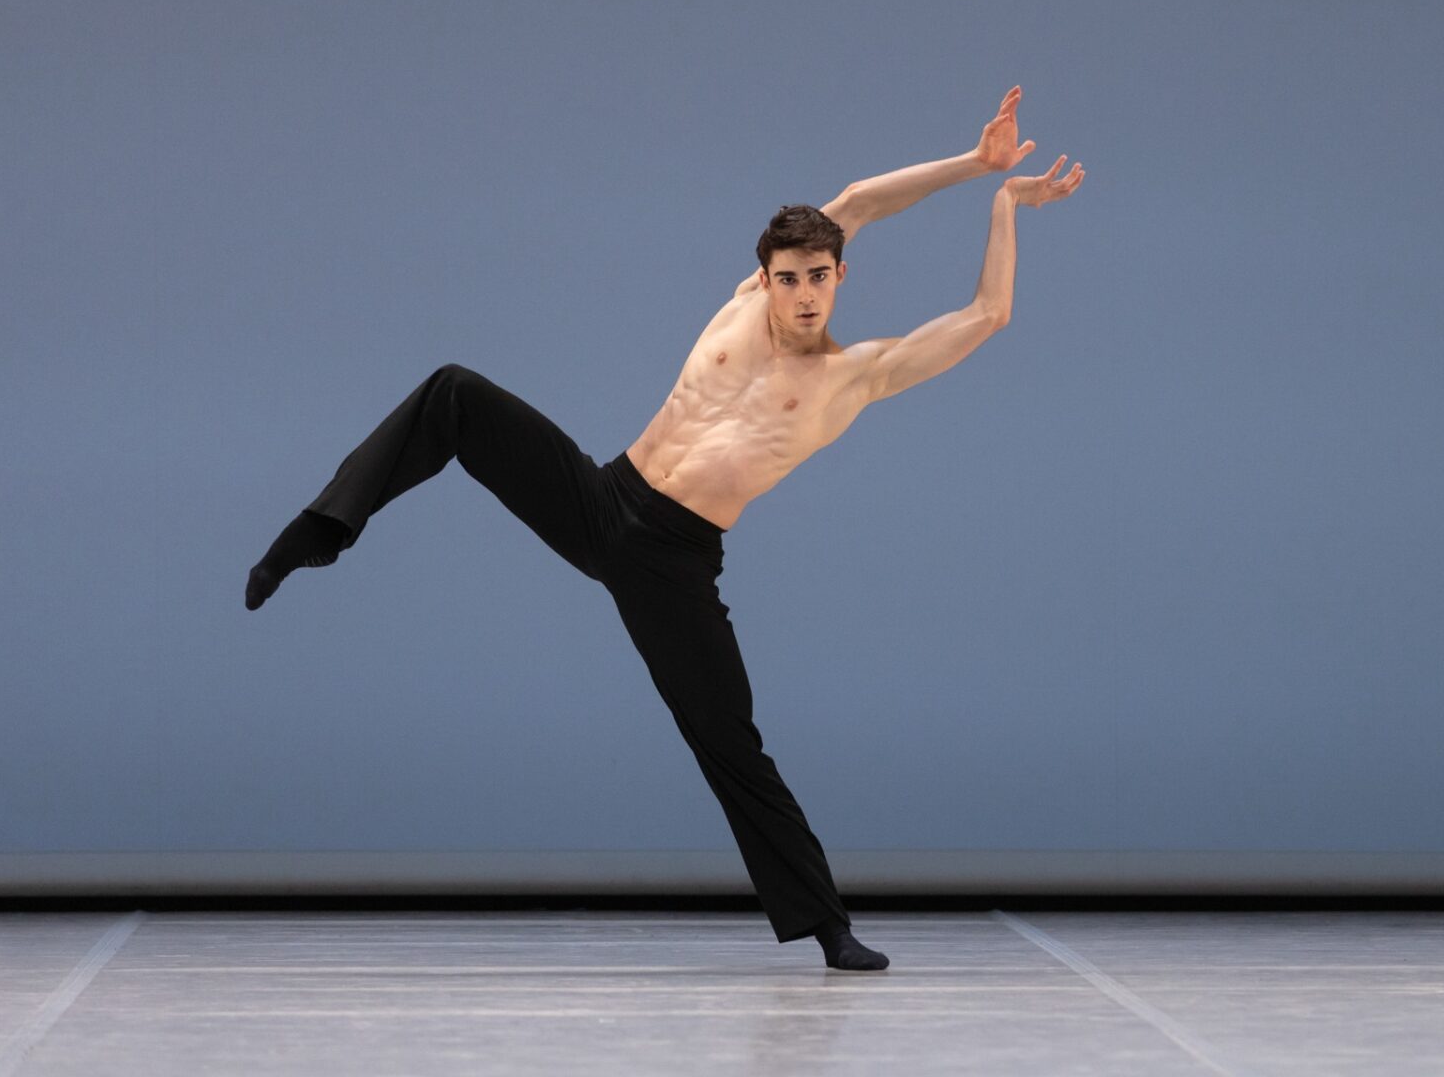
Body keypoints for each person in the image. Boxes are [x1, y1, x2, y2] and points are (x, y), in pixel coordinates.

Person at [245, 86, 1086, 970]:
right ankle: (322, 528)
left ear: (844, 278)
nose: (804, 294)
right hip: (602, 497)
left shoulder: (857, 376)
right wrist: (970, 158)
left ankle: (827, 926)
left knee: (730, 741)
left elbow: (988, 315)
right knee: (454, 391)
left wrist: (1002, 201)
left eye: (820, 277)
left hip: (673, 564)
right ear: (764, 277)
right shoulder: (737, 309)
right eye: (789, 277)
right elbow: (862, 198)